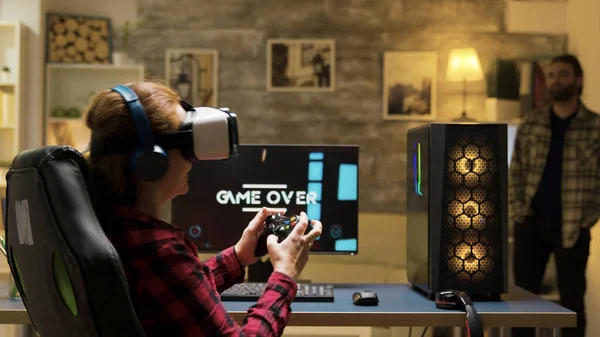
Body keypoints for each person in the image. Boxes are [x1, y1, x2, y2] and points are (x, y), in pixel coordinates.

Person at [84, 80, 323, 337]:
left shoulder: (109, 225)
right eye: (186, 145)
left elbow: (180, 290)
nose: (194, 158)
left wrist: (240, 256)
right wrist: (285, 273)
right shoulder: (160, 249)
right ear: (152, 160)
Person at [509, 54, 600, 337]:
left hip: (573, 227)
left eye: (562, 74)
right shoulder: (532, 122)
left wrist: (589, 218)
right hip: (530, 223)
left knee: (572, 305)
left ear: (578, 80)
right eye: (551, 75)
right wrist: (516, 209)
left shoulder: (595, 126)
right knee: (521, 304)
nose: (555, 80)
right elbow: (517, 170)